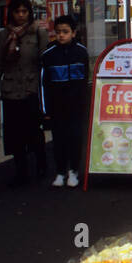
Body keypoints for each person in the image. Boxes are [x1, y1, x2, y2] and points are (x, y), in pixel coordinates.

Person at [0, 0, 48, 184]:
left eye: (24, 11)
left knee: (34, 132)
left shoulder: (38, 32)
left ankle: (41, 165)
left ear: (29, 12)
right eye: (17, 11)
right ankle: (21, 172)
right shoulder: (4, 35)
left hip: (30, 89)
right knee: (14, 135)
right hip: (10, 91)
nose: (20, 15)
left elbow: (45, 62)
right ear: (11, 13)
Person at [40, 14, 89, 188]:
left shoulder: (81, 52)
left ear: (73, 33)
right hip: (56, 107)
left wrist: (85, 105)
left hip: (76, 107)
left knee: (75, 139)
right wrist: (45, 110)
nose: (61, 35)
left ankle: (73, 171)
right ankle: (60, 171)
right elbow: (43, 84)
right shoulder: (48, 54)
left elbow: (85, 81)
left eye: (65, 32)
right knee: (58, 140)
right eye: (58, 32)